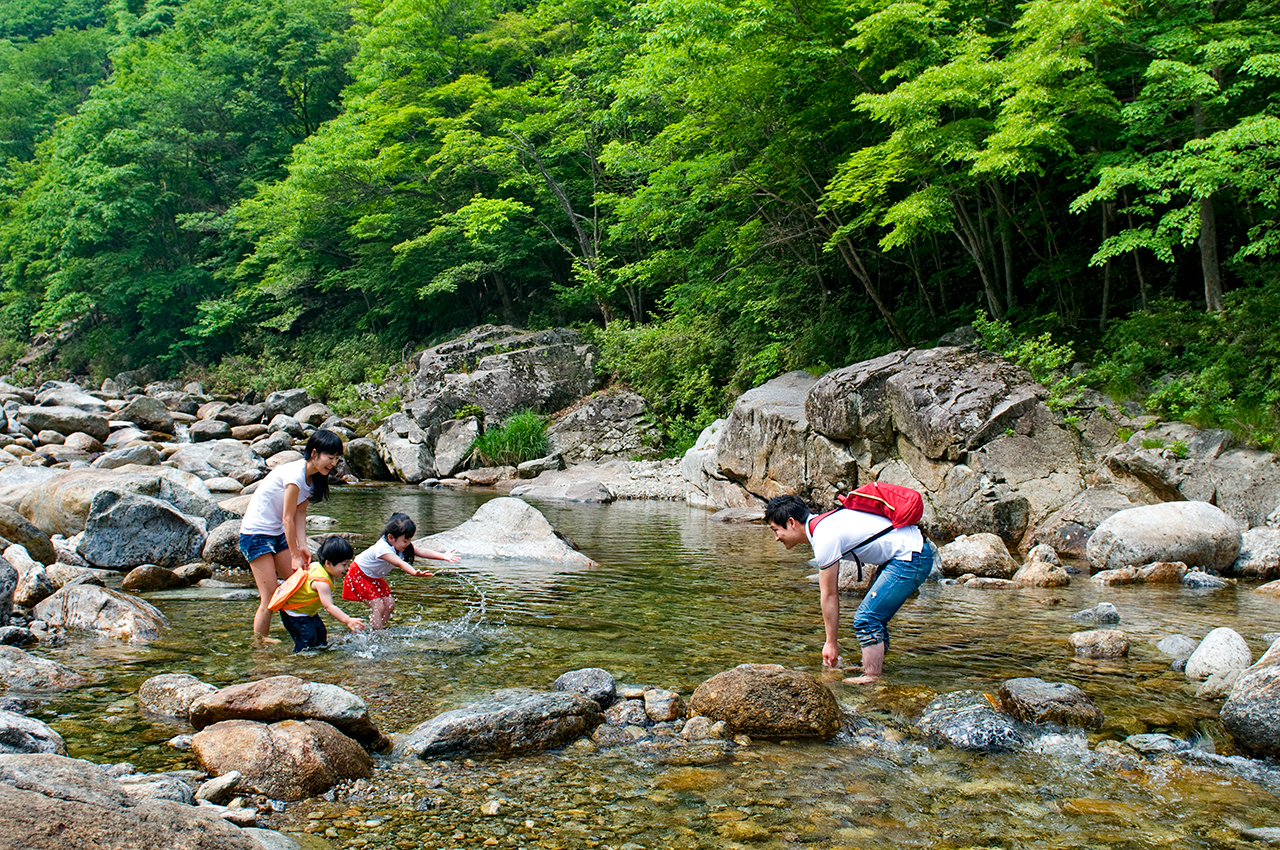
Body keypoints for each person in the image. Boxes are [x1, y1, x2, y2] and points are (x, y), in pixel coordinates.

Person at [765, 493, 933, 684]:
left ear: (792, 522)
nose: (776, 538)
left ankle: (872, 677)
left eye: (776, 530)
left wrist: (830, 643)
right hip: (909, 553)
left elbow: (829, 595)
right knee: (875, 617)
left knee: (867, 618)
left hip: (911, 558)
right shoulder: (825, 522)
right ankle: (872, 667)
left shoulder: (824, 536)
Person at [238, 428, 344, 645]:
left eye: (336, 459)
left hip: (276, 533)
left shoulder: (313, 479)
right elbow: (287, 518)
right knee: (269, 596)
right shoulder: (295, 475)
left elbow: (300, 514)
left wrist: (303, 547)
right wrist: (294, 555)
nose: (333, 463)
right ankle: (260, 642)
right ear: (314, 453)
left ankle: (304, 628)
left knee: (298, 585)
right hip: (256, 534)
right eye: (330, 457)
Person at [343, 513, 461, 630]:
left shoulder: (398, 545)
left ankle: (379, 629)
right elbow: (400, 563)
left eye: (410, 540)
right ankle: (376, 634)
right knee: (378, 606)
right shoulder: (382, 548)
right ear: (390, 537)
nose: (408, 543)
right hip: (358, 575)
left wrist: (443, 556)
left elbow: (421, 551)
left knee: (389, 604)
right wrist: (414, 572)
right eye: (405, 540)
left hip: (373, 577)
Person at [275, 536, 366, 652]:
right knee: (307, 640)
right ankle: (300, 660)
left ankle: (319, 655)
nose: (347, 568)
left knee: (320, 633)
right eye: (343, 565)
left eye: (347, 564)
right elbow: (329, 606)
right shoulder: (321, 582)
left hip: (306, 612)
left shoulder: (316, 565)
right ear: (328, 563)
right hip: (294, 613)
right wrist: (348, 620)